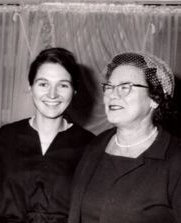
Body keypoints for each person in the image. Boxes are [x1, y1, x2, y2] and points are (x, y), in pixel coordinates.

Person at [68, 52, 181, 223]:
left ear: (154, 99)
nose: (113, 95)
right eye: (109, 86)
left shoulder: (176, 159)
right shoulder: (95, 145)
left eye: (125, 87)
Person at [0, 47, 94, 223]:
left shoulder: (89, 145)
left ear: (74, 90)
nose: (52, 94)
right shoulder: (5, 137)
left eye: (63, 85)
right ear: (30, 87)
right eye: (43, 84)